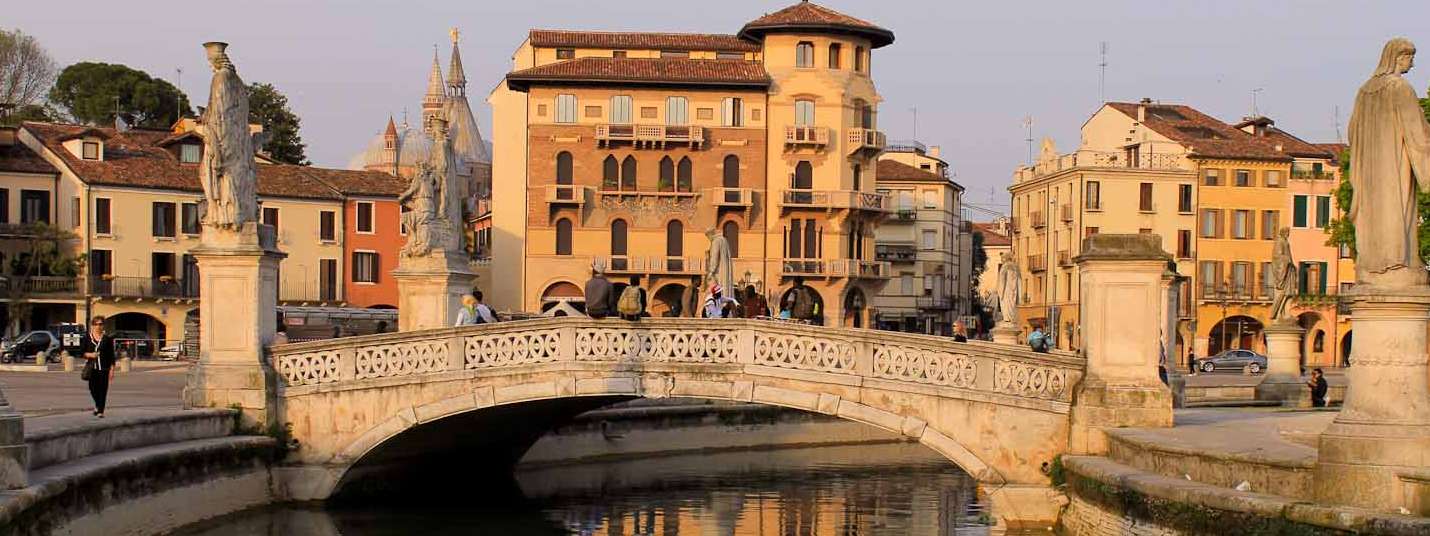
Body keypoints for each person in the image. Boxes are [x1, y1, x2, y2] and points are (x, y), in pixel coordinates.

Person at [80, 316, 116, 418]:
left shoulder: (107, 339)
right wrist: (90, 355)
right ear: (92, 325)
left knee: (103, 390)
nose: (98, 326)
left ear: (103, 325)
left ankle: (101, 411)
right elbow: (81, 352)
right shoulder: (87, 338)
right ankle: (97, 405)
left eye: (100, 324)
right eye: (96, 324)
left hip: (104, 368)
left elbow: (111, 355)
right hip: (92, 368)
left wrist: (112, 370)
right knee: (92, 388)